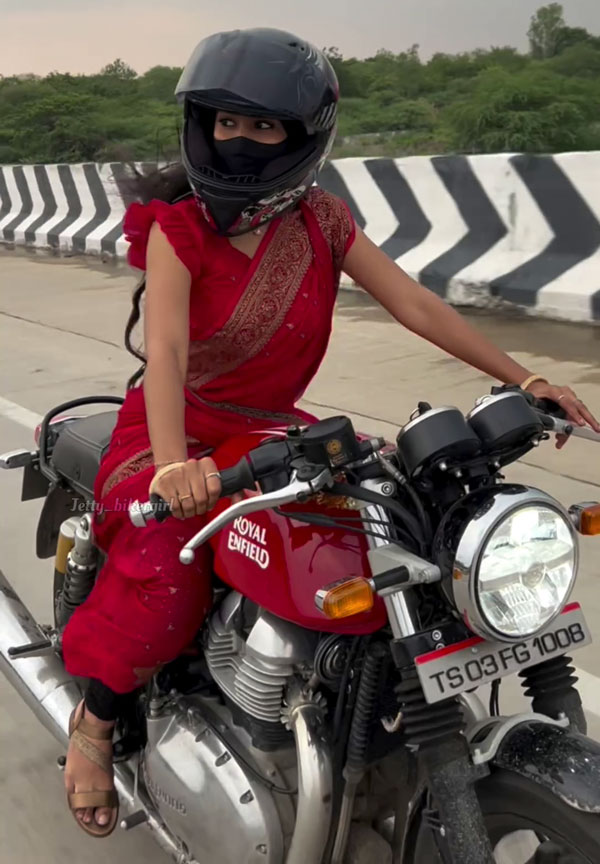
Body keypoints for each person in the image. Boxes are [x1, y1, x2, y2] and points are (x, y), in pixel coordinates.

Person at [60, 27, 600, 838]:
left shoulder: (323, 220)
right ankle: (95, 729)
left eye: (263, 126)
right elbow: (166, 354)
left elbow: (414, 303)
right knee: (167, 567)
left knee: (400, 527)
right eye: (225, 123)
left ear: (303, 136)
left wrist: (522, 377)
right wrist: (174, 468)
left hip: (274, 429)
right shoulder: (177, 232)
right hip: (175, 432)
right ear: (200, 127)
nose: (238, 142)